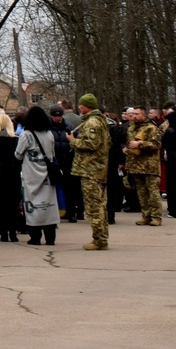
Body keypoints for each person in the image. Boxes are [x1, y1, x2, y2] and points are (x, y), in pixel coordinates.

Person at [17, 106, 62, 246]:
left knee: (32, 206)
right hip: (47, 175)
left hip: (31, 175)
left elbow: (18, 155)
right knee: (49, 206)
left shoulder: (26, 135)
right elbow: (52, 154)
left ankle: (35, 237)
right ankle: (50, 238)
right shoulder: (49, 134)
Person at [72, 95, 111, 250]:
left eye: (81, 105)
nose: (79, 108)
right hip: (98, 169)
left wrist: (73, 141)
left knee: (94, 206)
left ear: (86, 106)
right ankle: (101, 237)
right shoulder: (100, 120)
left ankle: (99, 239)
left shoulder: (92, 123)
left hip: (91, 170)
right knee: (100, 205)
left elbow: (91, 144)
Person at [123, 107, 163, 226]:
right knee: (141, 193)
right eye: (133, 114)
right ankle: (146, 215)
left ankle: (156, 216)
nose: (134, 116)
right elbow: (130, 143)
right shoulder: (131, 128)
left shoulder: (151, 128)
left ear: (143, 116)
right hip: (136, 166)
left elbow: (156, 145)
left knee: (153, 193)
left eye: (137, 114)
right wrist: (128, 149)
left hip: (149, 166)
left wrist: (140, 144)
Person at [0, 109, 22, 242]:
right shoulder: (15, 140)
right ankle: (13, 232)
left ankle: (3, 232)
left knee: (0, 204)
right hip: (12, 174)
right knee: (12, 204)